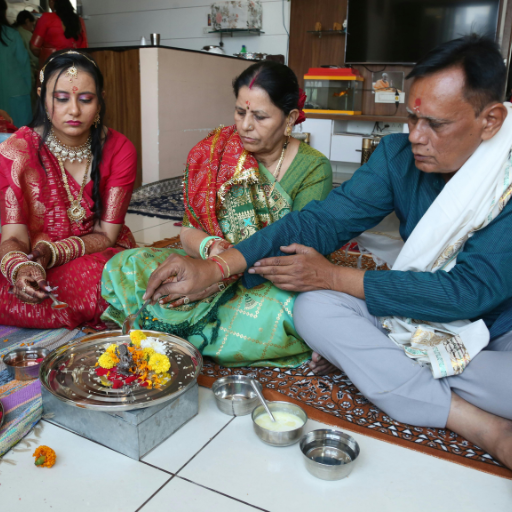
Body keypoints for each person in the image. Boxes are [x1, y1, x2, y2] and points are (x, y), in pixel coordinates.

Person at [141, 35, 512, 469]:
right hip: (413, 314)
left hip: (497, 332)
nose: (415, 136)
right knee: (314, 310)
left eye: (436, 124)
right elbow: (318, 222)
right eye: (411, 118)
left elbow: (468, 293)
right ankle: (475, 421)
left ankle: (391, 373)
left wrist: (334, 276)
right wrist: (216, 266)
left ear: (490, 120)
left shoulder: (506, 180)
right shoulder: (397, 157)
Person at [102, 61, 332, 367]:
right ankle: (192, 331)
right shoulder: (213, 152)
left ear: (289, 118)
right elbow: (188, 230)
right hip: (205, 266)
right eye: (240, 112)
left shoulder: (313, 168)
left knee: (291, 312)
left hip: (267, 280)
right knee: (126, 265)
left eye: (260, 116)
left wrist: (223, 275)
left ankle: (163, 326)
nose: (245, 126)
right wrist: (211, 251)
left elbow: (299, 254)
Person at [0, 49, 137, 329]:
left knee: (109, 276)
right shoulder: (16, 152)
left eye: (86, 99)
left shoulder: (120, 148)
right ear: (42, 96)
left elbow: (106, 234)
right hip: (34, 261)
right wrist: (21, 268)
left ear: (100, 99)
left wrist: (54, 252)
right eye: (61, 99)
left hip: (93, 255)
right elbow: (13, 236)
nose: (74, 110)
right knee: (15, 282)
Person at [0, 0, 32, 128]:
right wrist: (28, 89)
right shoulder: (11, 34)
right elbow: (24, 64)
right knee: (19, 134)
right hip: (16, 92)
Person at [30, 0, 87, 70]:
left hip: (53, 68)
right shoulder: (79, 21)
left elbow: (34, 47)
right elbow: (84, 47)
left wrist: (45, 55)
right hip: (75, 67)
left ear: (51, 1)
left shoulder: (46, 18)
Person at [15, 10, 39, 76]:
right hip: (29, 71)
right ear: (27, 21)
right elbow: (33, 57)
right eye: (33, 25)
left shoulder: (14, 32)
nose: (33, 29)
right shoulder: (27, 35)